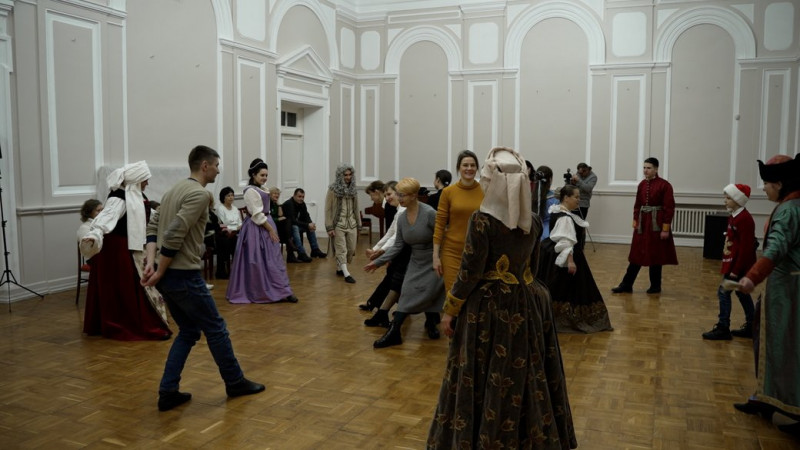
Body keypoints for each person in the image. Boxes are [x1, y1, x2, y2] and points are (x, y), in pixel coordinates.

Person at [427, 147, 576, 449]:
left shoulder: (482, 221)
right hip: (528, 303)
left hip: (487, 310)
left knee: (485, 373)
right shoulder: (532, 221)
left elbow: (469, 272)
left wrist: (450, 309)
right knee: (526, 371)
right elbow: (533, 268)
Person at [141, 145, 265, 412]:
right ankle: (235, 382)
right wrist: (158, 270)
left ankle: (168, 391)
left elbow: (153, 227)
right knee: (216, 329)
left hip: (169, 276)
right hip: (182, 275)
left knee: (188, 331)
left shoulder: (173, 190)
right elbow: (173, 234)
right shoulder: (198, 194)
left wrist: (152, 263)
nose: (219, 171)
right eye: (217, 165)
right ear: (205, 166)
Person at [734, 154, 800, 436]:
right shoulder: (790, 205)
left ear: (780, 184)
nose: (763, 188)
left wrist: (752, 276)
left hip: (789, 291)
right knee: (767, 340)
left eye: (767, 184)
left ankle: (789, 407)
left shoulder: (789, 211)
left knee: (784, 345)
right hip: (782, 286)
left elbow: (776, 248)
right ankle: (765, 397)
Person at [79, 161, 171, 341]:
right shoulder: (118, 198)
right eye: (145, 179)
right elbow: (105, 220)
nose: (147, 183)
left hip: (131, 247)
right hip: (117, 250)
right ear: (136, 179)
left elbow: (148, 217)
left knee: (137, 285)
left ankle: (141, 321)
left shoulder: (137, 196)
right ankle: (129, 324)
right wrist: (94, 234)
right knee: (126, 287)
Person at [365, 178, 444, 348]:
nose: (399, 198)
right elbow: (398, 245)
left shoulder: (429, 213)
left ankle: (431, 323)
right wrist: (378, 262)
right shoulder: (401, 218)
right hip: (416, 260)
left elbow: (442, 236)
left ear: (414, 195)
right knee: (406, 293)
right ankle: (394, 332)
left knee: (430, 292)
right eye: (398, 194)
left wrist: (438, 258)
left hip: (434, 259)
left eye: (402, 195)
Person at [538, 184, 612, 333]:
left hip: (555, 254)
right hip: (567, 257)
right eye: (576, 197)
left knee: (559, 288)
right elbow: (566, 241)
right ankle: (564, 319)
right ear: (566, 198)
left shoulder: (557, 211)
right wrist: (570, 262)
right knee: (571, 289)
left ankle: (552, 317)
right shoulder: (564, 218)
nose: (579, 200)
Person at [226, 159, 299, 304]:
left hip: (267, 223)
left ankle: (283, 290)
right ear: (253, 175)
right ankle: (262, 291)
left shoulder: (262, 188)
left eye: (266, 175)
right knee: (258, 261)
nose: (265, 178)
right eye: (262, 175)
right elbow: (256, 214)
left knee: (274, 260)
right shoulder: (250, 191)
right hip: (256, 228)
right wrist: (270, 229)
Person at [611, 157, 678, 294]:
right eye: (644, 168)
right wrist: (636, 221)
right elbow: (637, 205)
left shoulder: (665, 185)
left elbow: (669, 208)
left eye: (649, 168)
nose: (645, 170)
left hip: (656, 224)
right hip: (642, 225)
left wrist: (665, 229)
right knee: (637, 253)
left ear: (656, 169)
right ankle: (627, 284)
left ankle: (655, 286)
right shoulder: (641, 184)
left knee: (655, 254)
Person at [701, 184, 756, 340]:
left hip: (739, 266)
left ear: (738, 200)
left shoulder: (744, 219)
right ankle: (752, 325)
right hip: (734, 264)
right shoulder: (734, 215)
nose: (725, 201)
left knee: (724, 292)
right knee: (741, 293)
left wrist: (735, 270)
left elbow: (745, 248)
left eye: (728, 198)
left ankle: (723, 327)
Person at [433, 150, 484, 293]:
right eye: (465, 165)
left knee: (474, 294)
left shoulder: (485, 190)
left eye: (473, 165)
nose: (469, 168)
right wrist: (435, 256)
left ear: (477, 168)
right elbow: (439, 225)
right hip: (452, 251)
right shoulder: (448, 192)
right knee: (453, 294)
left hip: (477, 251)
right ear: (458, 168)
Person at [325, 163, 359, 283]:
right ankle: (346, 273)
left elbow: (356, 207)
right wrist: (329, 227)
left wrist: (359, 224)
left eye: (350, 174)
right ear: (340, 175)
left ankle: (340, 267)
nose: (348, 177)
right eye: (345, 175)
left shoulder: (353, 189)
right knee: (341, 249)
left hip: (352, 223)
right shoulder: (333, 189)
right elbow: (328, 209)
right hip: (338, 224)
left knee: (351, 249)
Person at [282, 188, 327, 259]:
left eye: (303, 197)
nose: (301, 199)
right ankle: (301, 253)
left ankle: (315, 250)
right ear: (294, 196)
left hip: (296, 225)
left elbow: (306, 216)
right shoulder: (288, 204)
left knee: (310, 228)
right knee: (295, 227)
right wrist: (307, 225)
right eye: (299, 196)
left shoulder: (302, 204)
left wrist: (311, 224)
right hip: (287, 228)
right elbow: (292, 221)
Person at [269, 186, 310, 263]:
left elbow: (280, 214)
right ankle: (291, 247)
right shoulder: (267, 204)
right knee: (291, 223)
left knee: (290, 223)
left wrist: (279, 205)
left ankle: (291, 252)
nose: (277, 195)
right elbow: (267, 218)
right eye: (274, 194)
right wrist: (278, 219)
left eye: (278, 194)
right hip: (270, 226)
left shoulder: (276, 204)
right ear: (270, 194)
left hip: (279, 227)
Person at [213, 186, 242, 279]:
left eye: (232, 195)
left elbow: (240, 223)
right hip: (224, 234)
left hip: (236, 232)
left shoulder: (235, 208)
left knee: (240, 240)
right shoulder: (220, 209)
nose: (231, 197)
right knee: (229, 242)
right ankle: (222, 271)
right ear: (223, 197)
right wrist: (235, 228)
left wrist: (237, 228)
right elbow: (222, 225)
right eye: (228, 196)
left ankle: (238, 270)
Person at [533, 165, 559, 240]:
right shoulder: (555, 199)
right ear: (550, 179)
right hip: (548, 234)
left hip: (531, 232)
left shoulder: (529, 196)